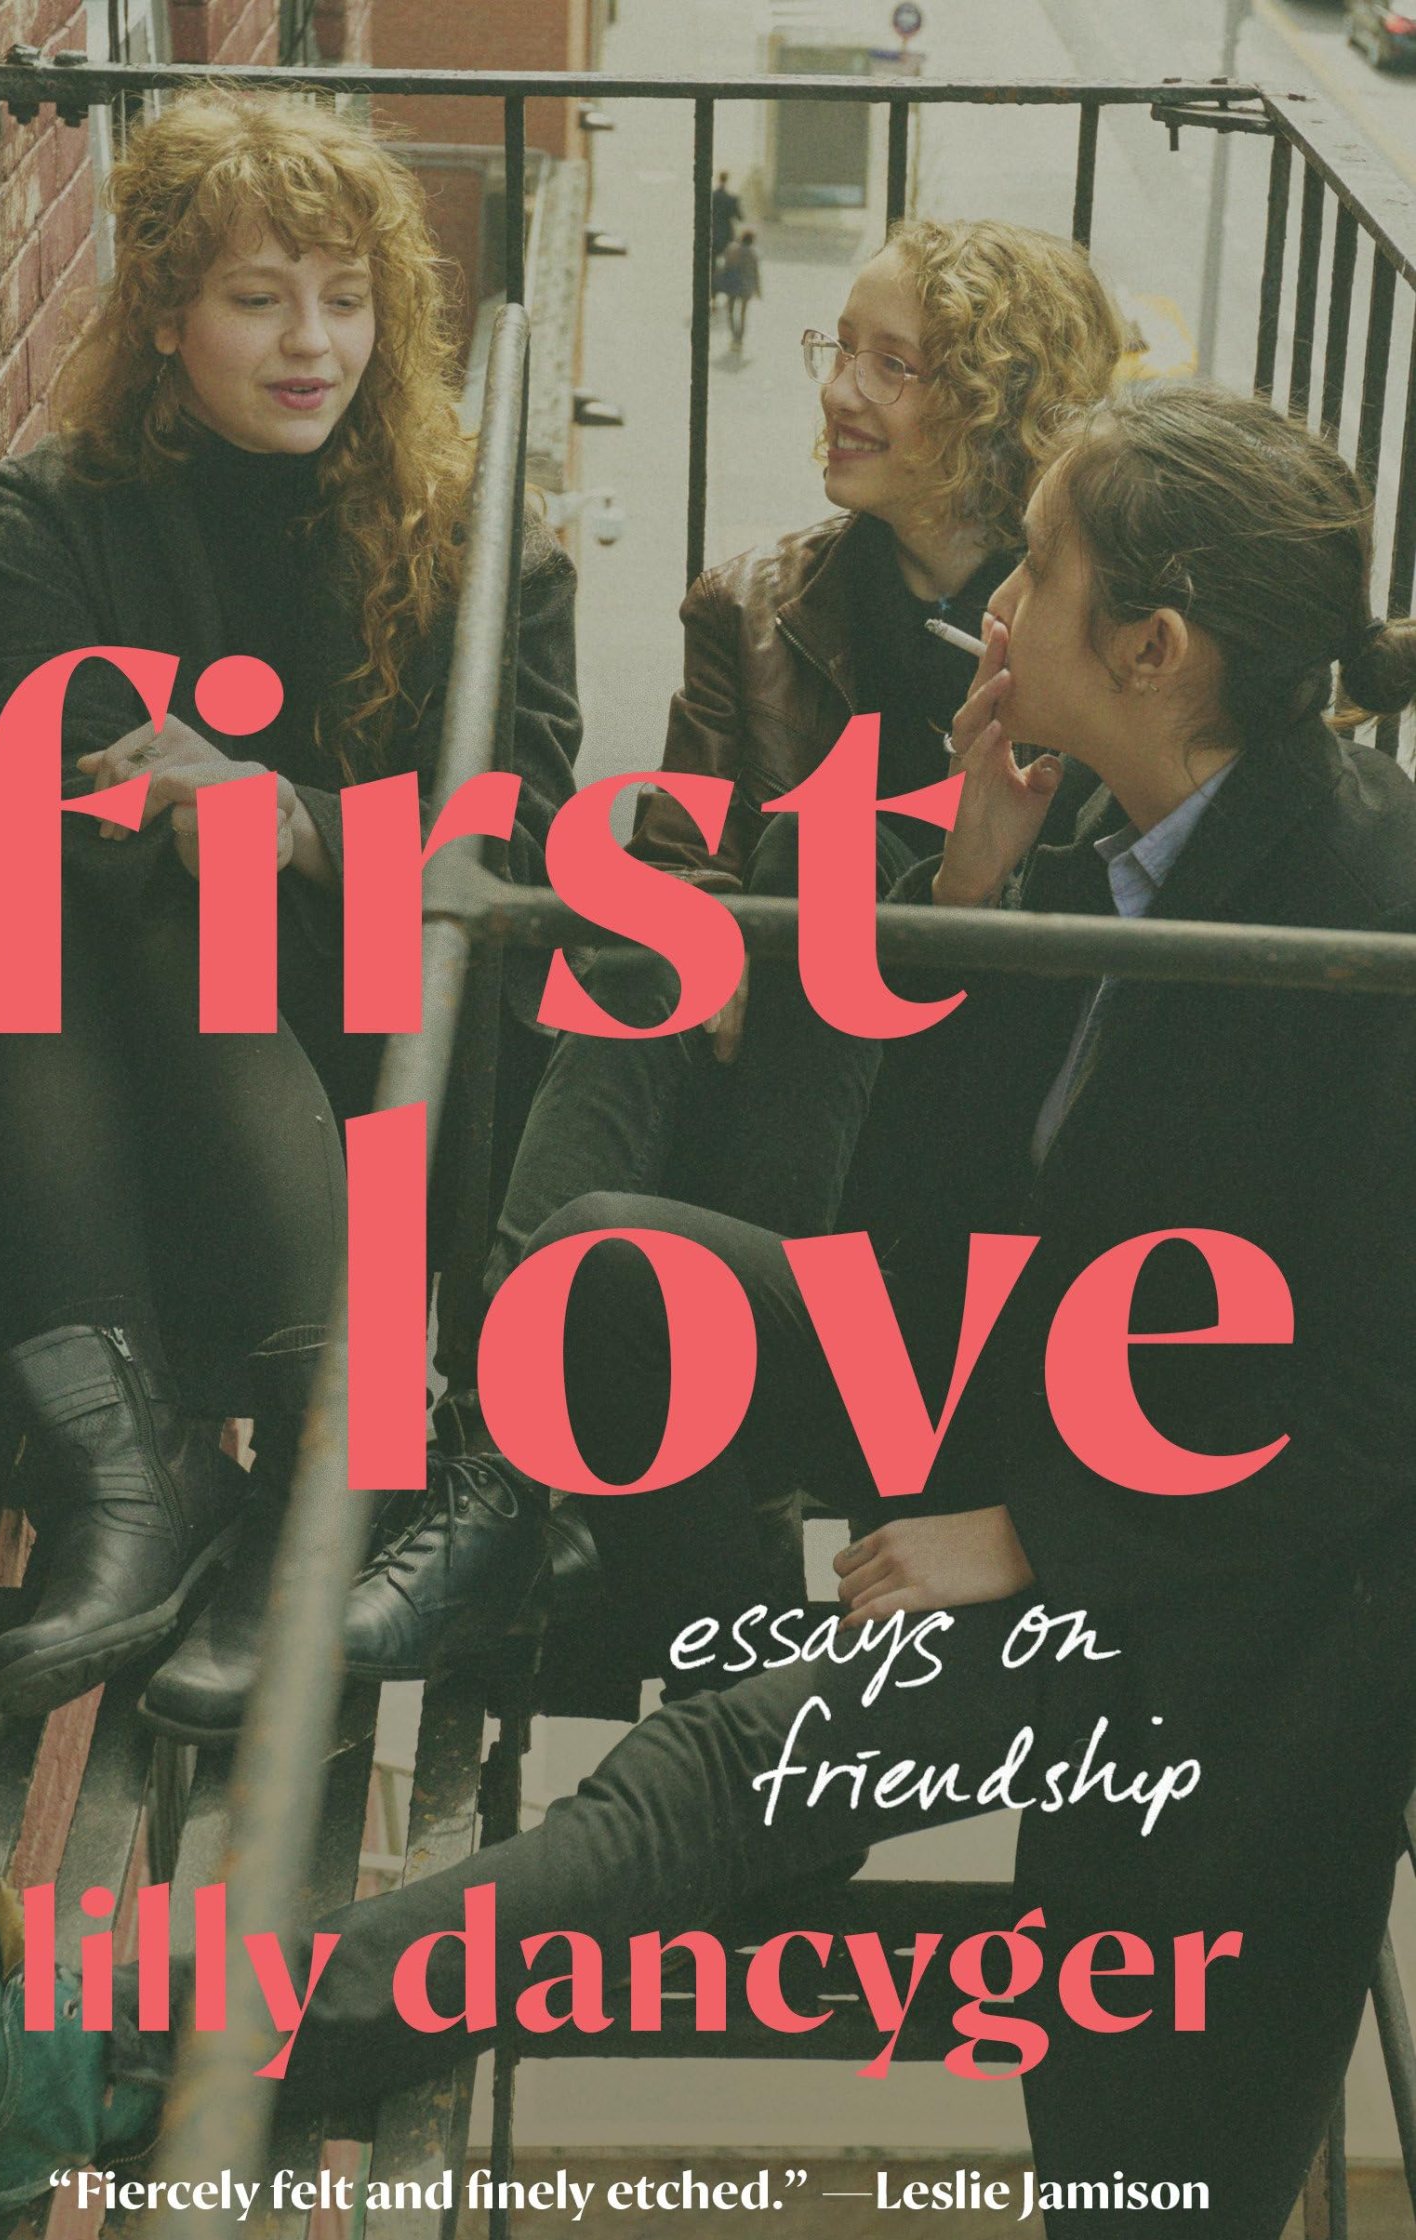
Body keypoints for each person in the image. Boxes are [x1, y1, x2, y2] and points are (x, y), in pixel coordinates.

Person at [0, 380, 1416, 2240]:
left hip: (1226, 1583)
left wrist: (1021, 1533)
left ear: (1155, 644)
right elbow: (931, 1237)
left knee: (724, 1762)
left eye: (1035, 564)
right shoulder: (1121, 824)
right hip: (1040, 1409)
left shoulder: (1363, 916)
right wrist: (968, 890)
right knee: (609, 1281)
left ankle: (95, 2064)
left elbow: (1370, 1412)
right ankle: (685, 1708)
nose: (996, 604)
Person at [342, 219, 1122, 1688]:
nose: (841, 389)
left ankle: (514, 1474)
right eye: (843, 348)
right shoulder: (756, 608)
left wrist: (814, 922)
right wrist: (726, 940)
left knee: (804, 878)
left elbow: (1066, 950)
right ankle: (507, 1466)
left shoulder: (1078, 640)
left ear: (998, 409)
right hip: (754, 1100)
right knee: (676, 936)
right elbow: (670, 870)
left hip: (947, 1144)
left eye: (899, 366)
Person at [0, 89, 581, 1740]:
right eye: (256, 298)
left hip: (384, 1045)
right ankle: (139, 1474)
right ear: (163, 315)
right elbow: (40, 788)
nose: (314, 345)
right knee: (47, 859)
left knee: (187, 851)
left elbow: (526, 850)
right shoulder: (44, 517)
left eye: (347, 300)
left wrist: (285, 821)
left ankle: (323, 1472)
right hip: (131, 1053)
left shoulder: (473, 544)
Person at [719, 228, 761, 350]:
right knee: (743, 313)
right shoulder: (753, 253)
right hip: (746, 286)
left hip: (732, 284)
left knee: (731, 312)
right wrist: (758, 289)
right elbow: (755, 273)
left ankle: (734, 335)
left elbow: (725, 267)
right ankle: (740, 338)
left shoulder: (732, 250)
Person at [709, 171, 743, 305]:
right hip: (726, 237)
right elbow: (740, 217)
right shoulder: (731, 198)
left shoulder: (712, 197)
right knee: (729, 266)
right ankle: (729, 292)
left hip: (712, 235)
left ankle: (713, 294)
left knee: (712, 266)